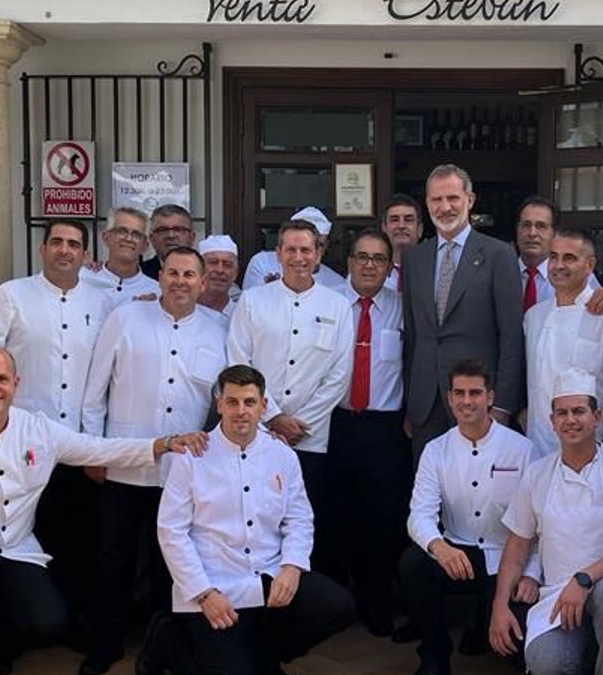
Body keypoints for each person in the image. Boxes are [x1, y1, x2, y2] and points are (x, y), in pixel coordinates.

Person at [0, 346, 205, 675]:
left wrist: (163, 444)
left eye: (2, 379)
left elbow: (98, 448)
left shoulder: (37, 429)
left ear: (16, 383)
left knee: (47, 624)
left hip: (11, 549)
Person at [0, 219, 114, 629]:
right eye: (57, 242)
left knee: (75, 537)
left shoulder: (103, 301)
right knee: (11, 538)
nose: (64, 250)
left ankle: (67, 620)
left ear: (86, 255)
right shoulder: (13, 295)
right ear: (43, 249)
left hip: (75, 442)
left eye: (73, 244)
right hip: (21, 441)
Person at [145, 364, 356, 675]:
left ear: (263, 406)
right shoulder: (191, 457)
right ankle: (168, 643)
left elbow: (299, 518)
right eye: (232, 402)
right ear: (219, 404)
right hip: (215, 588)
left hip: (268, 578)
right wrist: (204, 593)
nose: (241, 411)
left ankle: (260, 657)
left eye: (249, 402)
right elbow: (172, 532)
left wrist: (292, 566)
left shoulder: (282, 455)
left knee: (337, 606)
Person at [79, 247, 228, 675]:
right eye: (173, 272)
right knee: (114, 560)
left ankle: (168, 650)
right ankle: (104, 646)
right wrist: (94, 448)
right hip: (126, 462)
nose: (181, 281)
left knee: (174, 568)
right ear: (159, 276)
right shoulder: (125, 318)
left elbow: (220, 404)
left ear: (202, 282)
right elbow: (95, 390)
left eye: (190, 275)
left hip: (183, 472)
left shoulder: (218, 330)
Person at [491, 369, 603, 675]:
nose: (570, 420)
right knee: (546, 662)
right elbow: (516, 545)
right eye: (562, 413)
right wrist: (499, 607)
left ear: (597, 417)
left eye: (579, 411)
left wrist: (584, 579)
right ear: (552, 421)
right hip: (557, 593)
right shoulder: (537, 475)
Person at [226, 218, 354, 579]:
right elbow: (239, 363)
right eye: (291, 249)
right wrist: (272, 417)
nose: (299, 257)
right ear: (278, 253)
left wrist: (298, 424)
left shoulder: (337, 305)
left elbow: (338, 376)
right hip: (257, 432)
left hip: (310, 437)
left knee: (303, 520)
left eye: (306, 250)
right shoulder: (253, 301)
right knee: (255, 519)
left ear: (319, 254)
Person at [400, 359, 537, 675]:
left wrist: (531, 572)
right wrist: (440, 547)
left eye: (475, 393)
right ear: (449, 398)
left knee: (516, 650)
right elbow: (418, 515)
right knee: (414, 566)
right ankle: (434, 655)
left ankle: (485, 624)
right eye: (459, 393)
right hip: (457, 552)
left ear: (490, 397)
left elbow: (539, 523)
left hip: (506, 559)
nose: (466, 401)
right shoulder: (436, 450)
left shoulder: (522, 449)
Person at [400, 164, 524, 458]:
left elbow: (511, 336)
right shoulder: (415, 259)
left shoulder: (499, 255)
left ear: (470, 200)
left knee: (479, 496)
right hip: (425, 403)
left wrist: (503, 405)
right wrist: (410, 403)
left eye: (453, 198)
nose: (445, 207)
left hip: (479, 402)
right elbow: (413, 336)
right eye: (436, 200)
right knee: (429, 491)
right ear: (427, 204)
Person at [329, 228, 412, 636]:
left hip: (384, 429)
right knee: (333, 516)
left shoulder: (402, 308)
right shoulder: (327, 305)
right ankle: (335, 604)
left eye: (378, 258)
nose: (368, 265)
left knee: (381, 521)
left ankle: (375, 602)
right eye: (361, 256)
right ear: (348, 262)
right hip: (335, 423)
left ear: (388, 266)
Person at [523, 228, 603, 457]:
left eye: (569, 258)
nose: (559, 265)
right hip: (538, 445)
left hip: (592, 449)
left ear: (589, 265)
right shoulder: (534, 316)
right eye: (553, 257)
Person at [241, 205, 347, 289]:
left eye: (317, 245)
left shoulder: (337, 284)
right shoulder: (262, 263)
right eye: (293, 248)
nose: (299, 257)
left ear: (322, 249)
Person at [80, 207, 158, 304]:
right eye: (121, 231)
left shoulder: (156, 292)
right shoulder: (82, 280)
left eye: (137, 234)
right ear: (106, 238)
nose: (129, 239)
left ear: (145, 246)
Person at [381, 192, 425, 290]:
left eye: (408, 220)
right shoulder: (372, 272)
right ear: (384, 228)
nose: (401, 226)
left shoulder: (434, 271)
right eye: (394, 220)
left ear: (420, 230)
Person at [141, 204, 195, 281]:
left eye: (178, 229)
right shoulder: (139, 274)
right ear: (152, 239)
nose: (171, 235)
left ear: (192, 237)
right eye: (162, 230)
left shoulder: (205, 272)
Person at [195, 234, 241, 318]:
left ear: (235, 273)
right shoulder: (183, 311)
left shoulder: (241, 316)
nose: (220, 270)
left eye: (227, 264)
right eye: (213, 262)